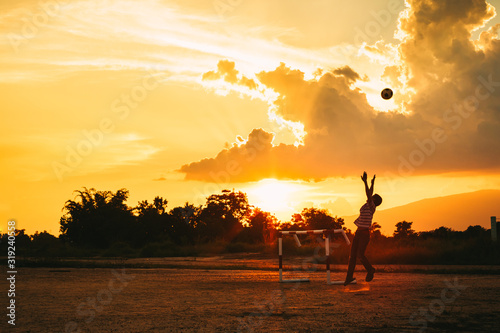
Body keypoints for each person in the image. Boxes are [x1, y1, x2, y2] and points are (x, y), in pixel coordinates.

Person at [344, 172, 382, 286]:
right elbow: (369, 193)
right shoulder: (367, 205)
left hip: (364, 234)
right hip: (358, 233)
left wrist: (365, 182)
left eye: (372, 197)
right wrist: (372, 183)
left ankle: (370, 269)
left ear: (373, 201)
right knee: (352, 257)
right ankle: (349, 278)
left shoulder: (371, 206)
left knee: (360, 255)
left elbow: (368, 194)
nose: (370, 196)